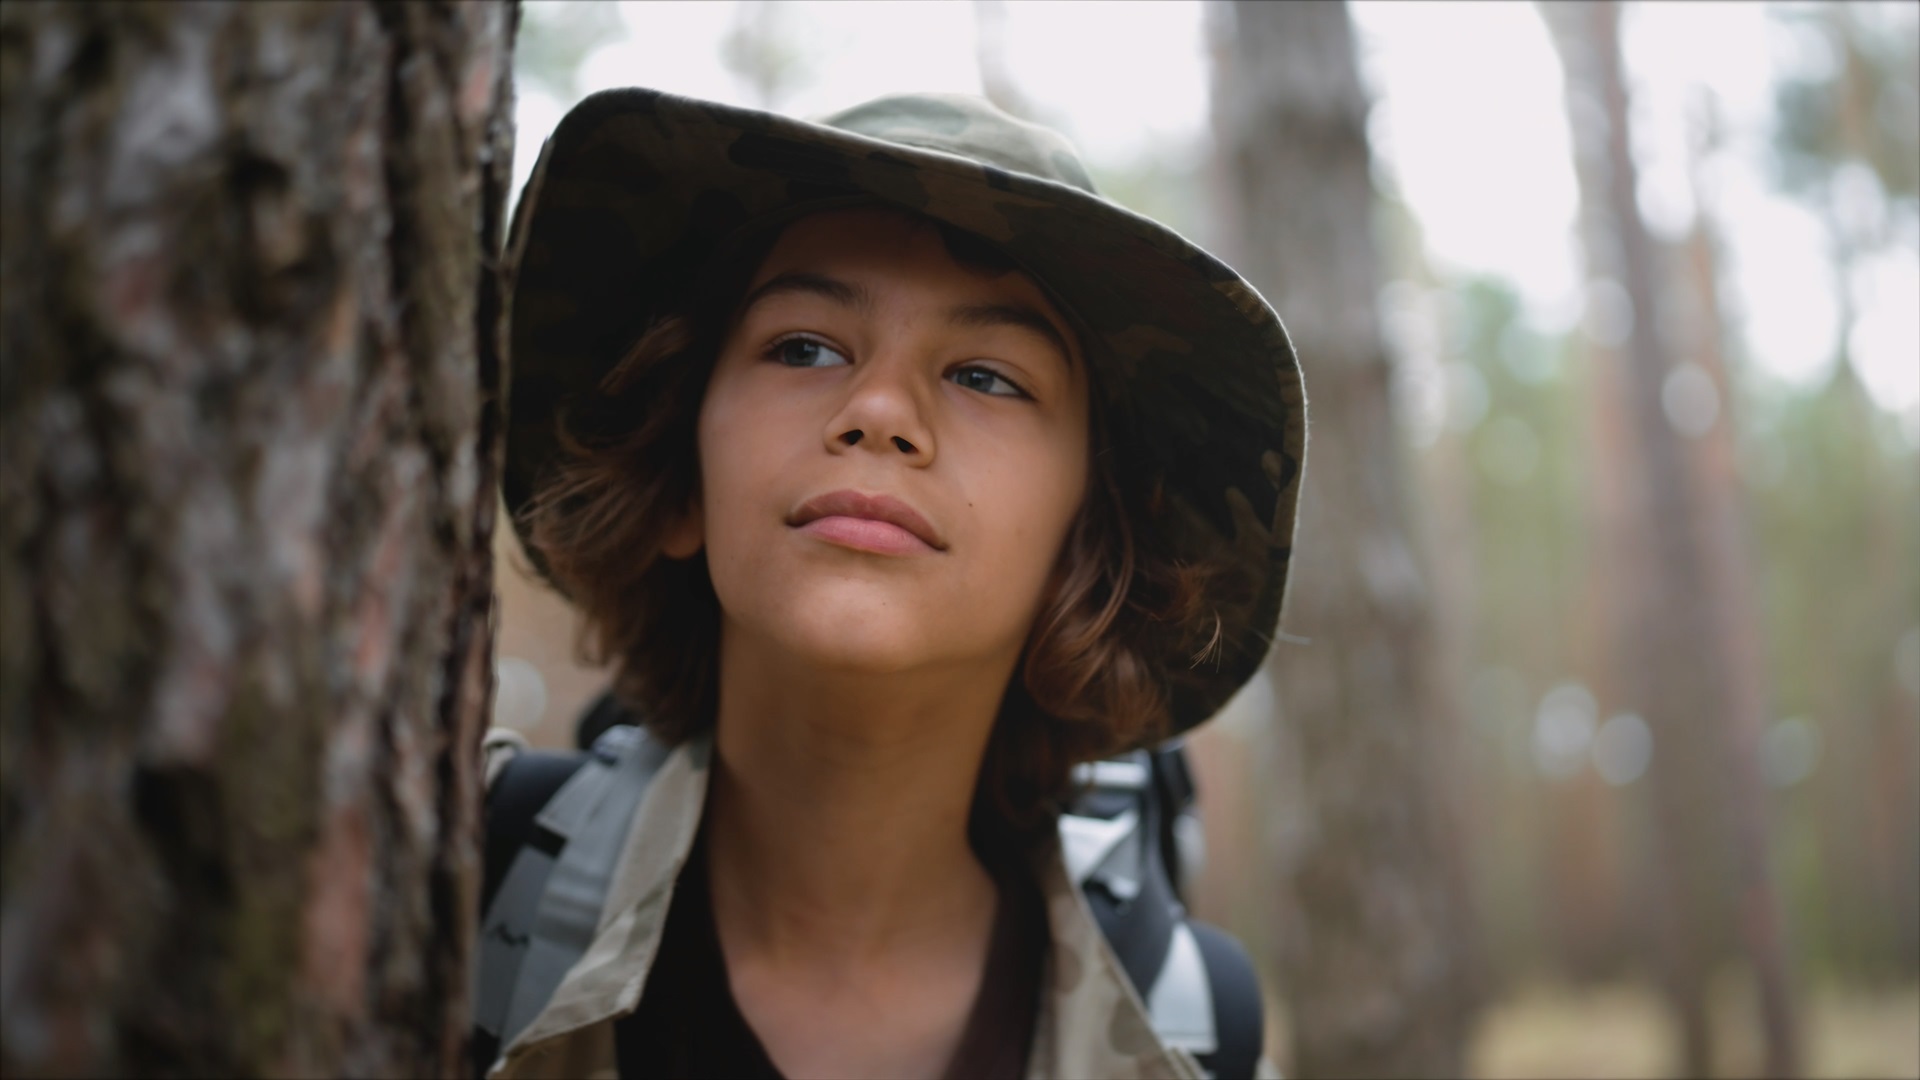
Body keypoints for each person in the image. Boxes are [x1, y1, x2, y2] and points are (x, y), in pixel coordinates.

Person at [479, 89, 1305, 1080]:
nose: (878, 410)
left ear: (1085, 536)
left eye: (988, 376)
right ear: (678, 480)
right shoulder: (459, 891)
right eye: (804, 347)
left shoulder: (1197, 1034)